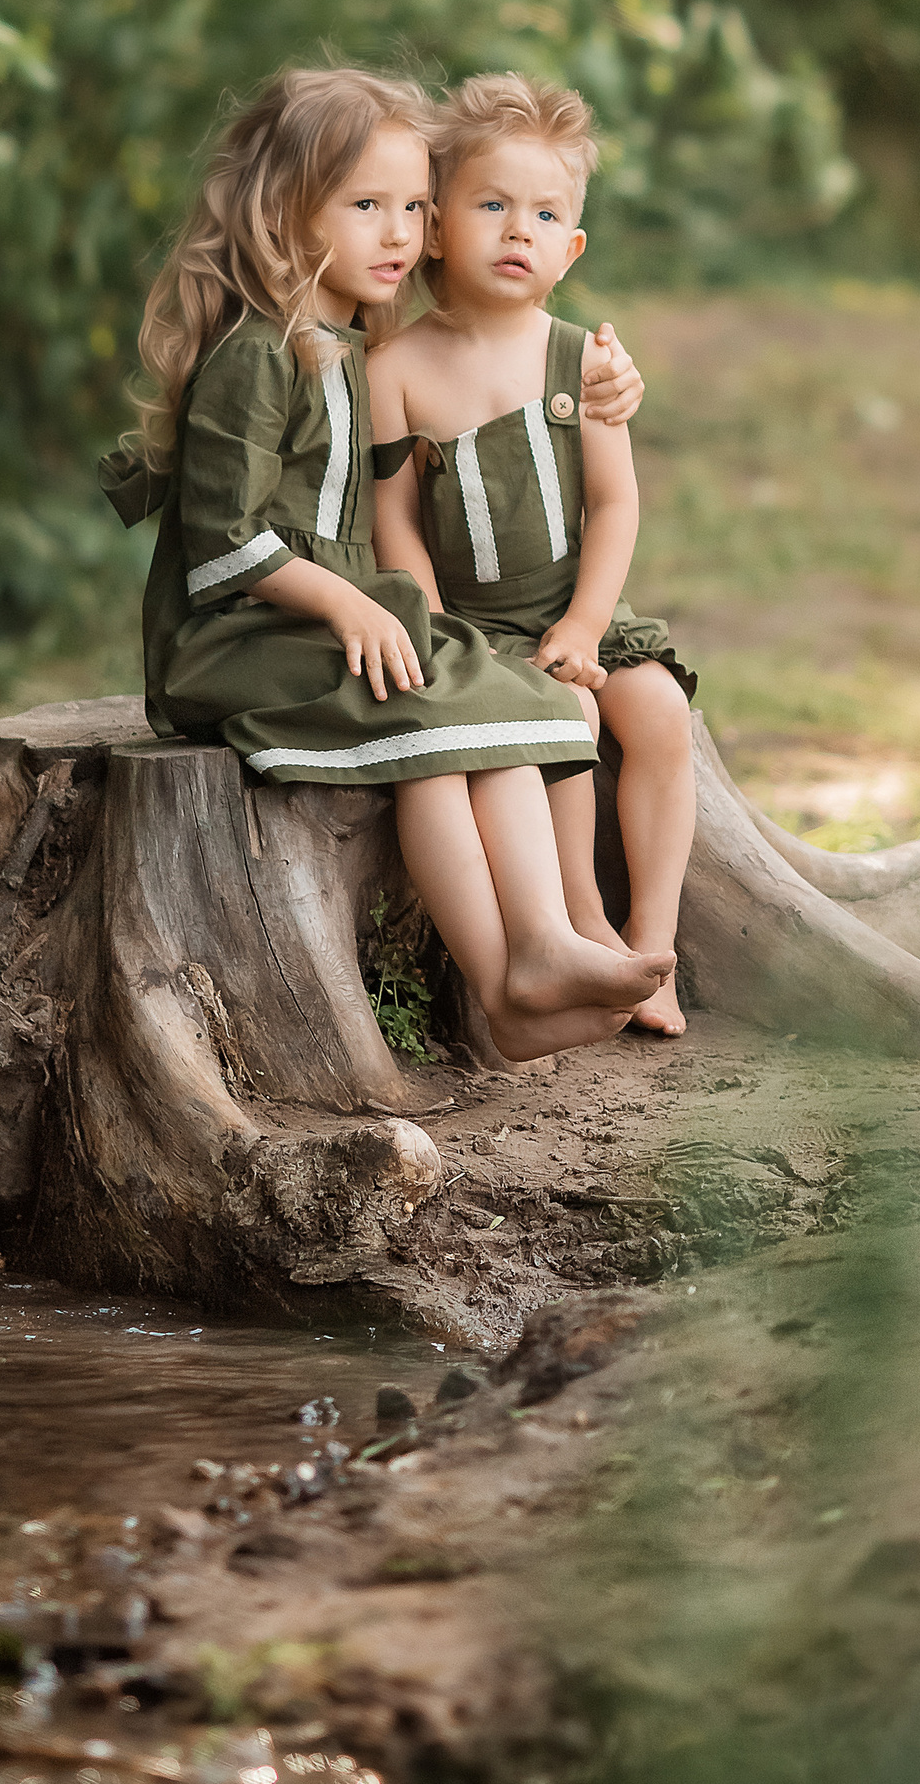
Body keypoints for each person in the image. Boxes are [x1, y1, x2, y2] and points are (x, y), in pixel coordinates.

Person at [98, 63, 672, 1060]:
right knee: (442, 723)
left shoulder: (349, 343)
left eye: (412, 205)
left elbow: (498, 371)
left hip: (329, 621)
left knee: (501, 707)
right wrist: (348, 604)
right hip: (239, 639)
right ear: (285, 213)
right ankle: (503, 978)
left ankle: (541, 945)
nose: (400, 232)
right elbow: (225, 539)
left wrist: (611, 375)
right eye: (367, 205)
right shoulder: (258, 354)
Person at [368, 72, 698, 1038]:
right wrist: (440, 634)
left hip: (573, 608)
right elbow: (395, 520)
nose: (520, 231)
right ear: (436, 228)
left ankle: (654, 940)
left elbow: (614, 502)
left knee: (657, 708)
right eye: (493, 206)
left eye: (546, 214)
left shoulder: (581, 360)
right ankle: (581, 926)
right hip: (475, 628)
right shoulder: (397, 370)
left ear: (572, 247)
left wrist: (588, 624)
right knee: (566, 712)